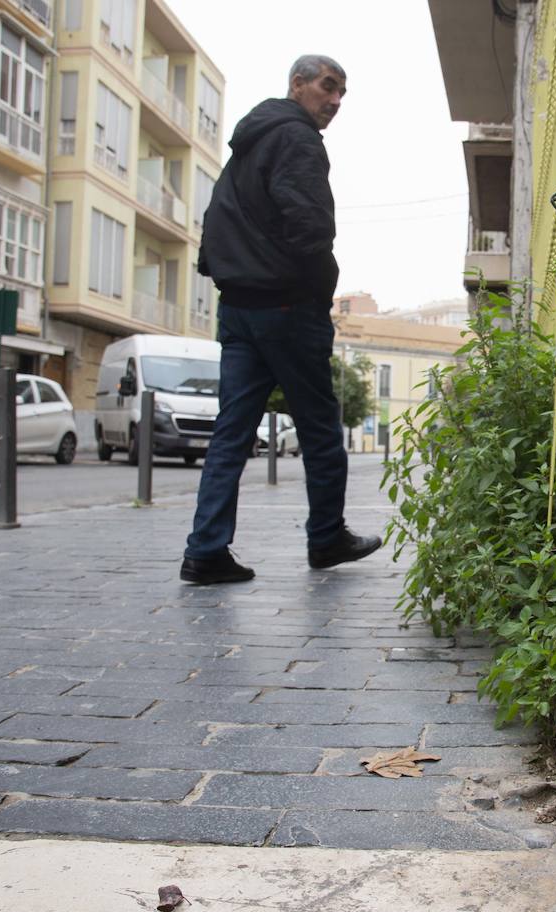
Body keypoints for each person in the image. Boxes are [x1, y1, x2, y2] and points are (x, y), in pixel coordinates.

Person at [181, 54, 381, 585]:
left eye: (342, 93)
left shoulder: (249, 141)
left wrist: (223, 274)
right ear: (298, 85)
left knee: (231, 432)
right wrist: (317, 290)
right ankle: (326, 537)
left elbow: (217, 214)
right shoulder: (296, 138)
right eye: (327, 87)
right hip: (288, 307)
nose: (335, 101)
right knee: (318, 427)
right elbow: (311, 224)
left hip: (240, 308)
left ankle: (205, 550)